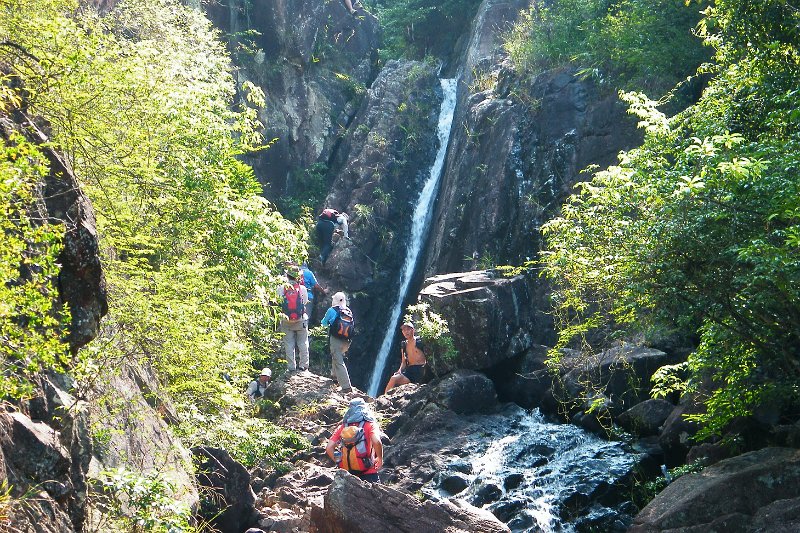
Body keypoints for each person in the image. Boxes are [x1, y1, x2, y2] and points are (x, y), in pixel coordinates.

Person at [326, 398, 383, 483]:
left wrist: (340, 462)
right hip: (369, 472)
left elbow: (329, 447)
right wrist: (380, 458)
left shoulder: (343, 427)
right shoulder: (370, 425)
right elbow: (376, 441)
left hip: (348, 475)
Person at [277, 267, 310, 372]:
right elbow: (304, 302)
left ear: (287, 276)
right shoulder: (302, 288)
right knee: (303, 342)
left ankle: (291, 367)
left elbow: (278, 302)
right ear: (298, 277)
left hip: (286, 320)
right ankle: (303, 365)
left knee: (289, 344)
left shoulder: (281, 288)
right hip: (301, 320)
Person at [320, 291, 354, 393]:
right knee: (337, 357)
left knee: (339, 361)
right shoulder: (348, 311)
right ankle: (334, 377)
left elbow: (324, 323)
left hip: (336, 339)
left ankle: (346, 386)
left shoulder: (332, 310)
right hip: (346, 342)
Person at [383, 321, 427, 394]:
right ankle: (383, 399)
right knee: (394, 378)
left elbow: (428, 356)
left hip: (421, 370)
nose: (406, 332)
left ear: (413, 330)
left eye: (408, 329)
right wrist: (399, 370)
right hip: (409, 372)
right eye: (404, 330)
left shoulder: (420, 341)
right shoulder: (404, 345)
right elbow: (404, 361)